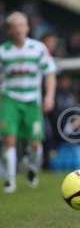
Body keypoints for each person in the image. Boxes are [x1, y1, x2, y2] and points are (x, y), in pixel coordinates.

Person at [0, 11, 56, 193]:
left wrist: (49, 96)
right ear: (9, 30)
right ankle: (9, 180)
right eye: (14, 27)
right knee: (9, 139)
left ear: (27, 28)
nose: (18, 30)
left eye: (21, 25)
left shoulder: (38, 48)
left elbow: (50, 74)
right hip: (10, 99)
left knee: (34, 143)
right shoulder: (3, 51)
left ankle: (32, 168)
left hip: (32, 101)